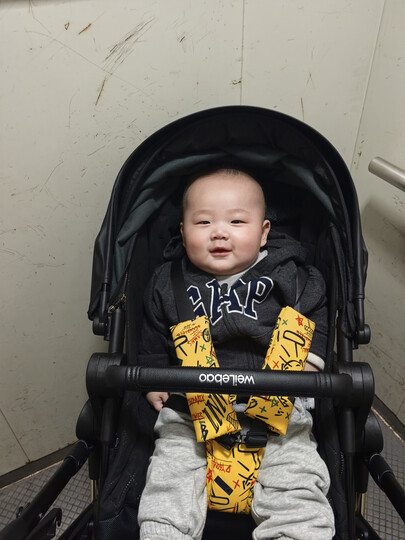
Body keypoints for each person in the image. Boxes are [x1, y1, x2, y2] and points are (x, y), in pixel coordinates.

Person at [137, 168, 335, 540]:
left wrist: (311, 359)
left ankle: (295, 530)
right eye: (203, 222)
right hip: (191, 407)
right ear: (183, 231)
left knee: (296, 481)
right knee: (169, 477)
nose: (219, 232)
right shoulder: (167, 282)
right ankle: (166, 531)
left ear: (263, 233)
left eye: (237, 221)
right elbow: (153, 333)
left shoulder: (289, 275)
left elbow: (315, 310)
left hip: (278, 407)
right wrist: (153, 374)